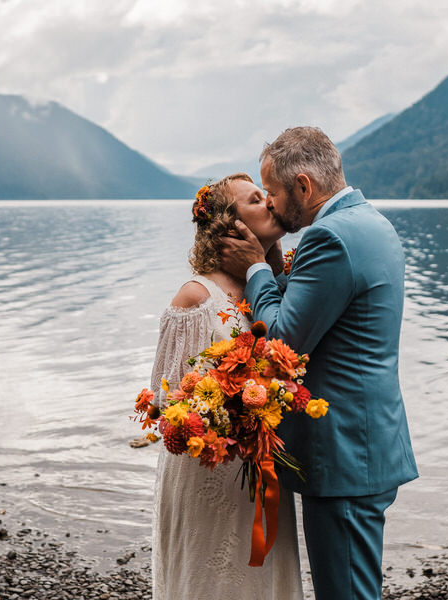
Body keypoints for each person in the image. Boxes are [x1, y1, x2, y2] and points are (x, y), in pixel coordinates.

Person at [221, 126, 419, 600]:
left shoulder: (330, 237)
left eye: (272, 192)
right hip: (369, 443)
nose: (270, 204)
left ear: (304, 187)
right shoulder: (373, 223)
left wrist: (256, 268)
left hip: (345, 454)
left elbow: (282, 340)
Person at [149, 173, 303, 600]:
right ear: (230, 225)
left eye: (267, 195)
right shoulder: (197, 298)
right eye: (257, 199)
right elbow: (165, 403)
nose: (271, 203)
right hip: (209, 474)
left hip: (261, 466)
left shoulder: (271, 290)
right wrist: (227, 410)